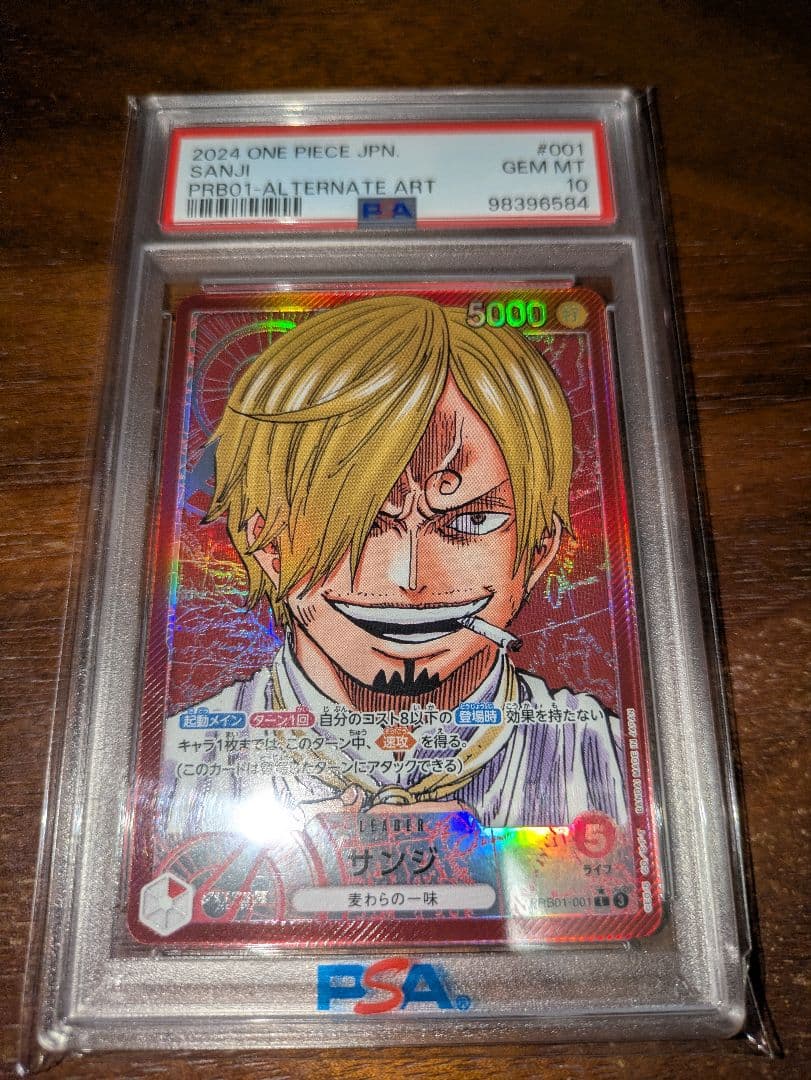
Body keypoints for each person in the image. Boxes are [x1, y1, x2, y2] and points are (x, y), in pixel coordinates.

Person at [165, 296, 626, 834]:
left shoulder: (614, 763)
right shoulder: (178, 767)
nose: (408, 579)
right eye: (360, 527)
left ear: (538, 547)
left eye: (471, 522)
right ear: (265, 541)